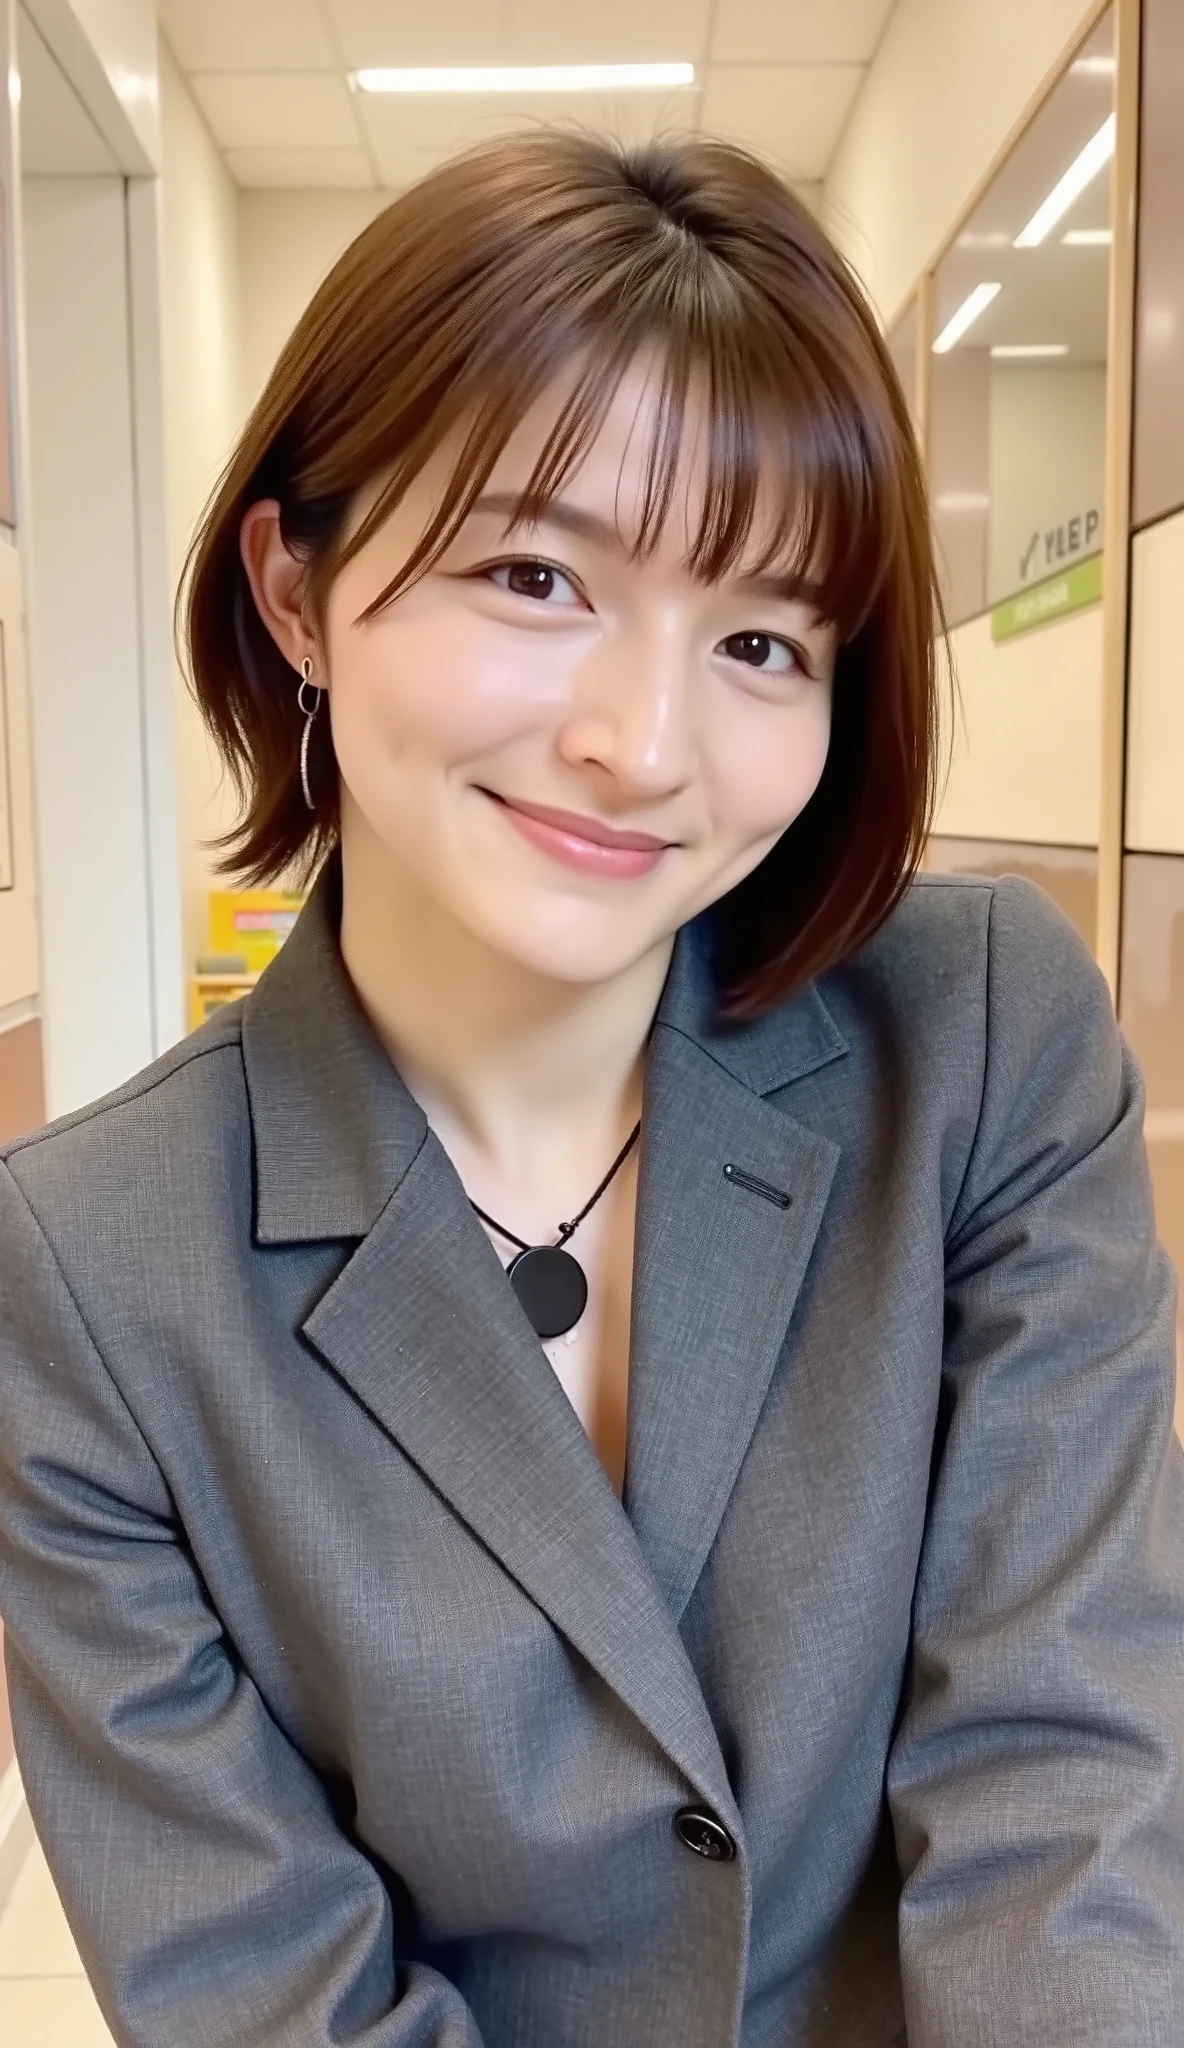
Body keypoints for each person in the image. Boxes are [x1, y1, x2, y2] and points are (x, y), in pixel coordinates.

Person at [0, 129, 1181, 2048]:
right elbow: (256, 1979)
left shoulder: (978, 1044)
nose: (643, 743)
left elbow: (1065, 1746)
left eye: (759, 637)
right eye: (537, 573)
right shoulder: (85, 1270)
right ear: (297, 592)